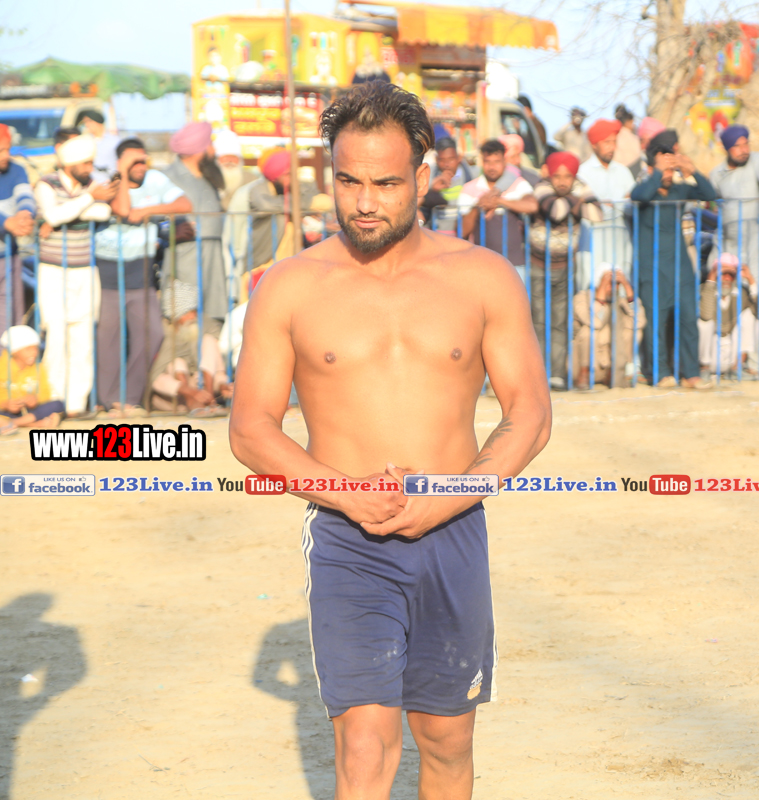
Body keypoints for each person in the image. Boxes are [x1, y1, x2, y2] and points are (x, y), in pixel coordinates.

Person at [229, 81, 552, 800]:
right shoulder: (290, 285)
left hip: (455, 532)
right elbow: (250, 427)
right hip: (348, 539)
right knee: (367, 745)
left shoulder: (483, 277)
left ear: (424, 178)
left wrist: (453, 495)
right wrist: (345, 495)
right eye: (348, 181)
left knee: (446, 739)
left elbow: (530, 412)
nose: (364, 202)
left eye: (385, 183)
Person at [93, 137, 192, 415]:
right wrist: (123, 175)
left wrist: (148, 210)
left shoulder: (156, 180)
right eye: (134, 161)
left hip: (142, 273)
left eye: (143, 160)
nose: (141, 165)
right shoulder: (109, 182)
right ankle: (109, 401)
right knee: (109, 341)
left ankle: (129, 398)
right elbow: (124, 210)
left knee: (152, 335)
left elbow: (185, 204)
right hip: (109, 273)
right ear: (120, 162)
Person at [33, 133, 116, 415]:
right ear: (71, 164)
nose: (90, 168)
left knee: (83, 336)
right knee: (56, 334)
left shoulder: (90, 184)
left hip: (85, 269)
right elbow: (52, 215)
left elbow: (103, 212)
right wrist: (88, 200)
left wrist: (69, 211)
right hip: (53, 269)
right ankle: (54, 401)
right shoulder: (47, 184)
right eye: (86, 163)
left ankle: (76, 405)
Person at [629, 130, 716, 388]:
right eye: (663, 168)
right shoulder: (645, 192)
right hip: (652, 268)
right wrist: (657, 172)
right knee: (656, 322)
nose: (668, 173)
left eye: (671, 168)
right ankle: (660, 374)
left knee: (689, 318)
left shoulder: (678, 190)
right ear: (652, 168)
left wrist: (692, 170)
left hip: (680, 266)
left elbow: (709, 195)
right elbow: (639, 196)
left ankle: (691, 374)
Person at [528, 151, 602, 389]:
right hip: (538, 265)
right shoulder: (541, 187)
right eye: (557, 176)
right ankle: (539, 373)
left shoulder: (581, 187)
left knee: (560, 321)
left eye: (567, 177)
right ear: (550, 175)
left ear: (574, 177)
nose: (561, 182)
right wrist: (578, 202)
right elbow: (555, 211)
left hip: (564, 266)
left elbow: (598, 215)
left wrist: (571, 202)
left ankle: (557, 374)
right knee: (539, 320)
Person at [163, 121, 230, 337]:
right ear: (198, 148)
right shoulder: (168, 177)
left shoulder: (210, 177)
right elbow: (151, 217)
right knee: (184, 335)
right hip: (182, 266)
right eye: (210, 144)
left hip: (213, 269)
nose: (214, 150)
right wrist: (168, 232)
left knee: (213, 332)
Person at [708, 124, 759, 283]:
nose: (744, 150)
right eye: (737, 146)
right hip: (727, 241)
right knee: (721, 284)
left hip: (755, 240)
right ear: (727, 149)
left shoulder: (758, 160)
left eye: (746, 144)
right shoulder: (716, 174)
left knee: (753, 283)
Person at [148, 279, 232, 414]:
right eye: (187, 313)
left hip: (200, 383)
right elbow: (156, 378)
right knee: (177, 363)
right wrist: (190, 392)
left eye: (194, 311)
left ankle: (209, 400)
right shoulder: (163, 332)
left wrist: (222, 385)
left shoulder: (204, 324)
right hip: (173, 397)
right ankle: (193, 401)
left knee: (209, 341)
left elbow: (216, 365)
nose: (192, 316)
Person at [457, 139, 537, 270]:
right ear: (482, 162)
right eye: (487, 162)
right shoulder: (469, 188)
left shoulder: (518, 184)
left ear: (504, 161)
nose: (492, 167)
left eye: (496, 162)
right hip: (480, 264)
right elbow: (462, 231)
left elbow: (532, 206)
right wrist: (479, 206)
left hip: (514, 264)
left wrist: (499, 201)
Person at [577, 119, 635, 274]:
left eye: (614, 142)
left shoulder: (623, 172)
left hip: (620, 239)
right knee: (592, 281)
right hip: (593, 240)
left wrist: (612, 204)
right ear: (594, 144)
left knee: (621, 280)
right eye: (607, 142)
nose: (612, 147)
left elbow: (631, 202)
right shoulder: (583, 173)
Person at [248, 149, 320, 270]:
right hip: (263, 261)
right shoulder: (257, 190)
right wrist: (304, 204)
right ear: (275, 175)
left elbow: (319, 198)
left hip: (290, 261)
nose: (292, 179)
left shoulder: (293, 186)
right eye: (287, 174)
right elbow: (268, 205)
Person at [572, 267, 644, 388]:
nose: (613, 287)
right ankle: (584, 374)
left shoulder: (620, 301)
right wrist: (601, 296)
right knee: (589, 331)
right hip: (589, 362)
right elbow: (595, 322)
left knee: (633, 331)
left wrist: (628, 289)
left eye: (617, 283)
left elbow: (639, 322)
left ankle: (619, 372)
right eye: (608, 283)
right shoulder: (582, 298)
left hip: (611, 363)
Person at [698, 253, 759, 378]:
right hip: (709, 354)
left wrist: (751, 280)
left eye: (731, 274)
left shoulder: (741, 293)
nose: (726, 278)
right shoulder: (704, 290)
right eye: (723, 273)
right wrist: (711, 279)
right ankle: (704, 368)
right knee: (704, 322)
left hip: (731, 354)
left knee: (749, 314)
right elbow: (706, 315)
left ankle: (737, 368)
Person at [0, 124, 36, 328]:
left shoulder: (17, 170)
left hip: (9, 258)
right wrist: (6, 222)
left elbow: (25, 197)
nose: (6, 155)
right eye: (1, 150)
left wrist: (25, 215)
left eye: (8, 149)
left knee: (11, 321)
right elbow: (7, 222)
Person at [0, 325, 65, 434]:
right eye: (28, 349)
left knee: (58, 404)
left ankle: (13, 423)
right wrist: (5, 404)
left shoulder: (39, 367)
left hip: (29, 411)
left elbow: (45, 392)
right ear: (14, 351)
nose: (34, 353)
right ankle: (36, 424)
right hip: (6, 411)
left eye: (35, 348)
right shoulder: (2, 366)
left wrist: (36, 399)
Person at [420, 136, 476, 233]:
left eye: (451, 159)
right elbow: (417, 199)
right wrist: (432, 189)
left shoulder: (472, 174)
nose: (447, 164)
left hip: (461, 234)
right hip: (436, 233)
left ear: (459, 158)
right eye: (442, 160)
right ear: (436, 159)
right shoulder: (428, 174)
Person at [74, 108, 120, 179]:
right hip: (91, 182)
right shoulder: (85, 141)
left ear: (98, 121)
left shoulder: (114, 141)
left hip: (110, 180)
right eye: (85, 122)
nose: (86, 125)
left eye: (89, 121)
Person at [612, 104, 642, 172]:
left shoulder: (616, 136)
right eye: (632, 122)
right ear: (627, 122)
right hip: (632, 169)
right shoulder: (631, 137)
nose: (633, 125)